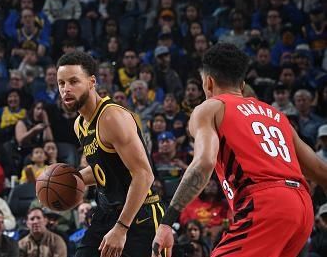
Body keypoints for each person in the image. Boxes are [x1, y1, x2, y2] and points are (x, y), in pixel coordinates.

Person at [152, 43, 327, 257]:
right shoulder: (276, 115)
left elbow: (204, 163)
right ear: (242, 85)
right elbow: (321, 171)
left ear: (208, 82)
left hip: (266, 205)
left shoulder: (210, 108)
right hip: (302, 208)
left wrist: (167, 222)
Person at [56, 51, 164, 257]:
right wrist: (71, 180)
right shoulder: (80, 124)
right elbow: (104, 169)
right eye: (61, 83)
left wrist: (122, 228)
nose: (66, 89)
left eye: (73, 81)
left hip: (140, 215)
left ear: (91, 82)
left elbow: (144, 174)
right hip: (107, 213)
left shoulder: (112, 117)